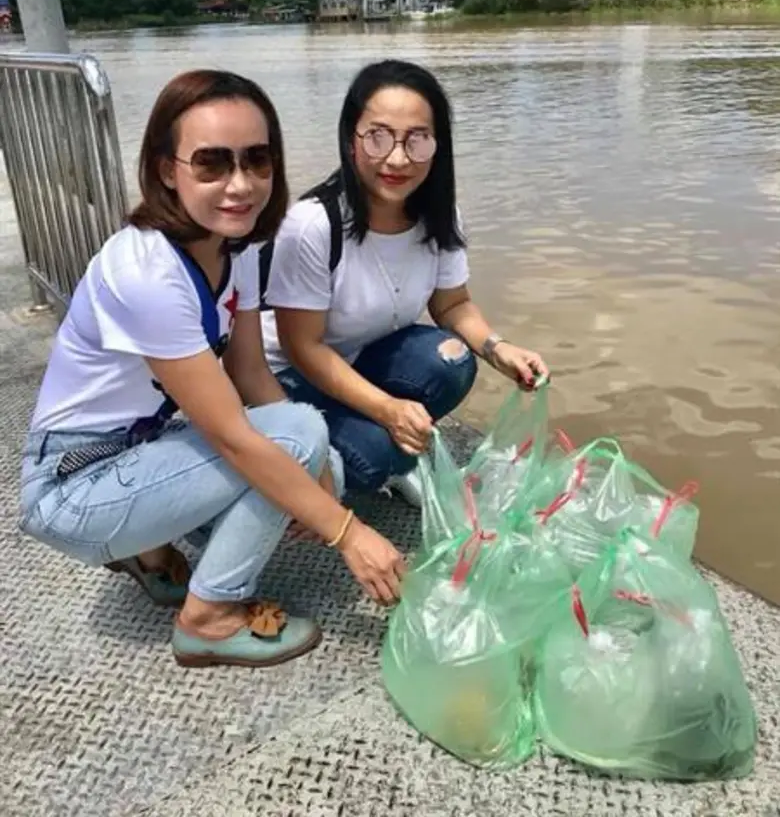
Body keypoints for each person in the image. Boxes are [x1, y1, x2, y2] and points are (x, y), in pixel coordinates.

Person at [19, 69, 406, 670]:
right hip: (73, 485)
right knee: (296, 445)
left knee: (311, 449)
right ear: (167, 170)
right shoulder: (148, 273)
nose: (240, 185)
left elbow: (251, 374)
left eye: (257, 160)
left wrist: (316, 478)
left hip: (138, 448)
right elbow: (233, 434)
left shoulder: (237, 248)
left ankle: (148, 551)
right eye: (211, 164)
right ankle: (208, 618)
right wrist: (347, 532)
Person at [261, 59, 549, 507]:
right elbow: (303, 347)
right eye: (377, 137)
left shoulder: (440, 216)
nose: (397, 159)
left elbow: (452, 305)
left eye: (417, 140)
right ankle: (368, 455)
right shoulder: (312, 225)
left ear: (438, 146)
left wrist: (498, 348)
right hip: (286, 374)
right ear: (350, 141)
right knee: (374, 455)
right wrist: (387, 410)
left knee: (453, 361)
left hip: (357, 357)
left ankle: (389, 445)